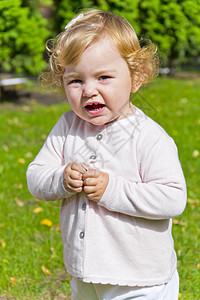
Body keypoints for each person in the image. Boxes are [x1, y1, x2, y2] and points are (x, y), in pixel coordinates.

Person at [26, 9, 187, 300]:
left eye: (103, 77)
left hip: (140, 280)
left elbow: (172, 198)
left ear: (136, 77)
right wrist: (60, 179)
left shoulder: (148, 137)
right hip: (85, 275)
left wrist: (111, 189)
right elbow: (36, 177)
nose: (89, 90)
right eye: (76, 80)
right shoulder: (67, 127)